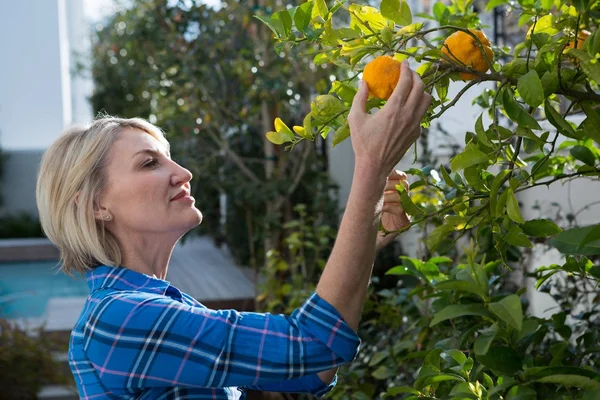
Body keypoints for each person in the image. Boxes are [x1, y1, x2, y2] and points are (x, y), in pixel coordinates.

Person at [36, 61, 431, 399]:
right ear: (95, 205)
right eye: (149, 163)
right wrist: (370, 167)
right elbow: (313, 346)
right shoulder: (121, 318)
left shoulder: (159, 308)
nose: (184, 173)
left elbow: (308, 374)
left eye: (170, 159)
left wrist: (369, 237)